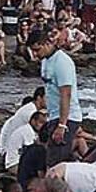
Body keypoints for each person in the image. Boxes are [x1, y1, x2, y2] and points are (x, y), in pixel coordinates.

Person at [28, 30, 82, 167]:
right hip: (54, 115)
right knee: (61, 160)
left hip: (66, 118)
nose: (35, 54)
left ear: (47, 43)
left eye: (37, 50)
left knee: (55, 163)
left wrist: (62, 125)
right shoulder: (45, 61)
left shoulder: (62, 62)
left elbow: (66, 94)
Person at [0, 87, 46, 157]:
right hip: (12, 152)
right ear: (39, 98)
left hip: (18, 147)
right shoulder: (30, 111)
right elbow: (42, 131)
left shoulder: (31, 108)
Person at [5, 110, 47, 175]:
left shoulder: (32, 131)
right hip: (15, 163)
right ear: (33, 121)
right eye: (41, 122)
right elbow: (32, 150)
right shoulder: (26, 131)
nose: (43, 126)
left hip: (20, 161)